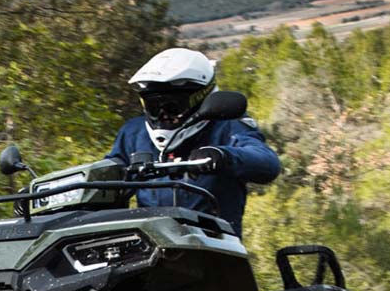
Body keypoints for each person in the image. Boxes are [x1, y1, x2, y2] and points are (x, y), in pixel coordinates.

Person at [107, 48, 281, 233]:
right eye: (154, 107)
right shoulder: (134, 132)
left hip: (213, 242)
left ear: (202, 99)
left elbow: (266, 162)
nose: (164, 115)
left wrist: (223, 155)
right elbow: (109, 172)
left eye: (174, 107)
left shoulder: (227, 125)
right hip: (148, 241)